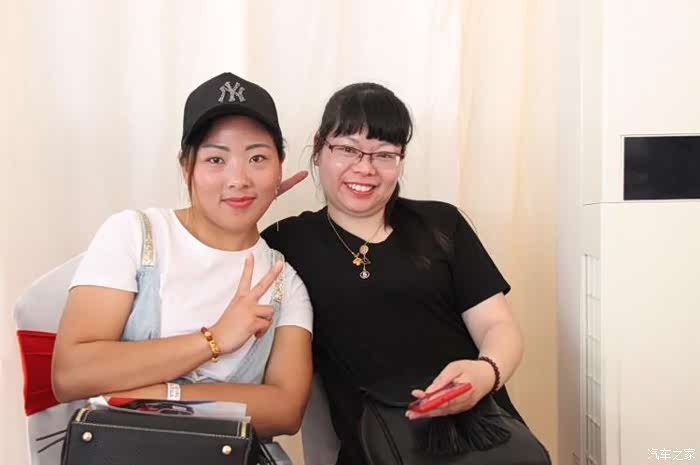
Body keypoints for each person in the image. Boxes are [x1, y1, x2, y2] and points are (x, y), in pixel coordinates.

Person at [263, 82, 526, 463]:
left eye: (384, 154)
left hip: (479, 433)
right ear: (318, 149)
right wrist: (252, 197)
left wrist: (486, 373)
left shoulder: (441, 224)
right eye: (348, 149)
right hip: (376, 446)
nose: (365, 168)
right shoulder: (286, 242)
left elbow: (497, 325)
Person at [52, 72, 313, 437]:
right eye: (215, 160)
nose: (238, 179)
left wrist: (160, 397)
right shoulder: (136, 234)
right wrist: (214, 339)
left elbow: (285, 410)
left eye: (257, 158)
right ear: (186, 166)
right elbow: (70, 374)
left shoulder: (285, 282)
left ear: (279, 165)